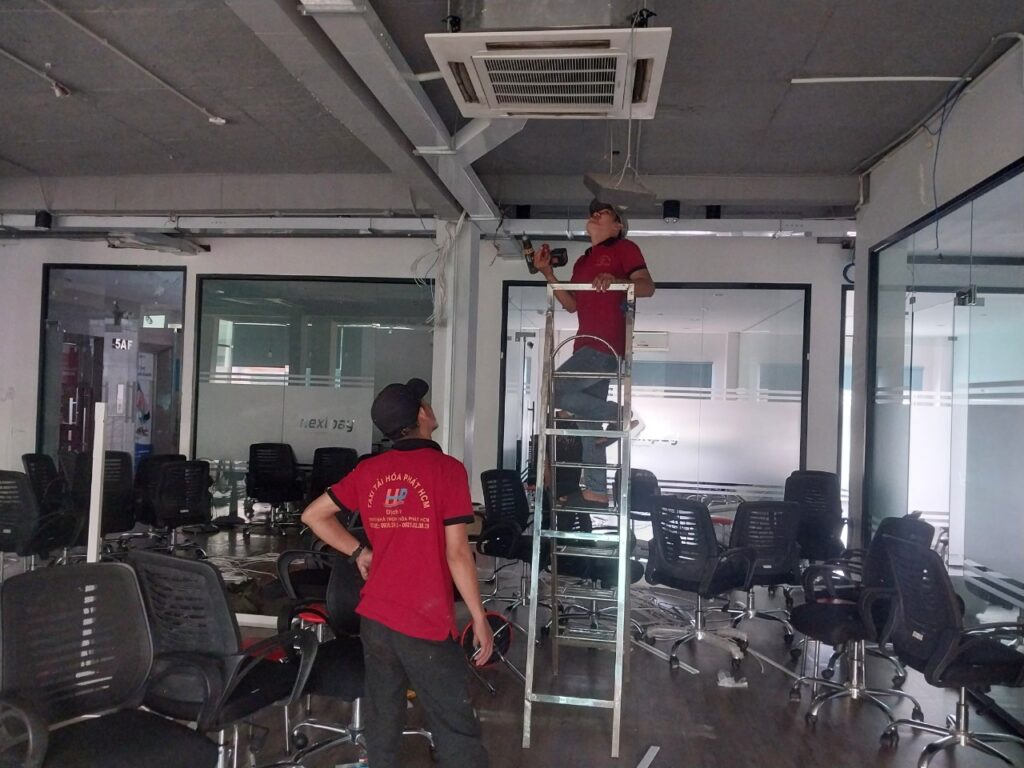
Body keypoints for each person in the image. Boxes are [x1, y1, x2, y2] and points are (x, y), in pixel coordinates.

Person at [301, 377, 493, 768]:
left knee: (383, 718)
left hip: (376, 619)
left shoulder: (370, 470)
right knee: (454, 725)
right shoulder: (446, 470)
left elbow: (313, 515)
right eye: (426, 403)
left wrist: (359, 551)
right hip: (422, 620)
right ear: (422, 415)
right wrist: (479, 616)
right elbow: (458, 553)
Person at [532, 199, 656, 506]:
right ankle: (597, 490)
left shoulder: (624, 248)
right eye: (594, 212)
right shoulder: (582, 262)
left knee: (555, 390)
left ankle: (619, 415)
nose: (596, 214)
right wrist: (548, 272)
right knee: (588, 424)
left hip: (605, 347)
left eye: (605, 213)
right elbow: (572, 304)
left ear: (618, 226)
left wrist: (617, 281)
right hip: (585, 345)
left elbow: (647, 287)